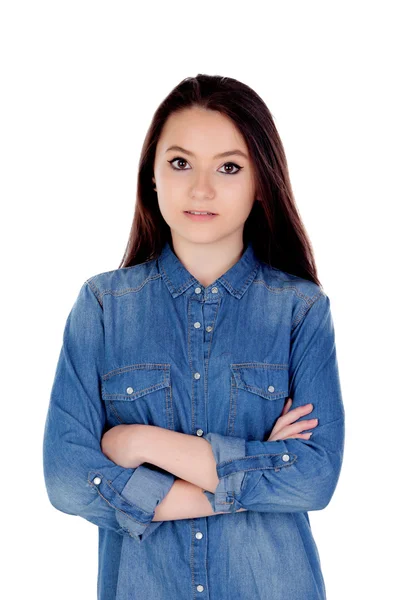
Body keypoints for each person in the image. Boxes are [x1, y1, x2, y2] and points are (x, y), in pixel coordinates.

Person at [43, 73, 345, 599]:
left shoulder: (300, 310)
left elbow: (313, 478)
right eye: (180, 163)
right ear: (152, 176)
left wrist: (139, 442)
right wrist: (245, 476)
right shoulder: (103, 307)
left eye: (229, 167)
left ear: (260, 184)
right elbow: (68, 480)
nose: (201, 188)